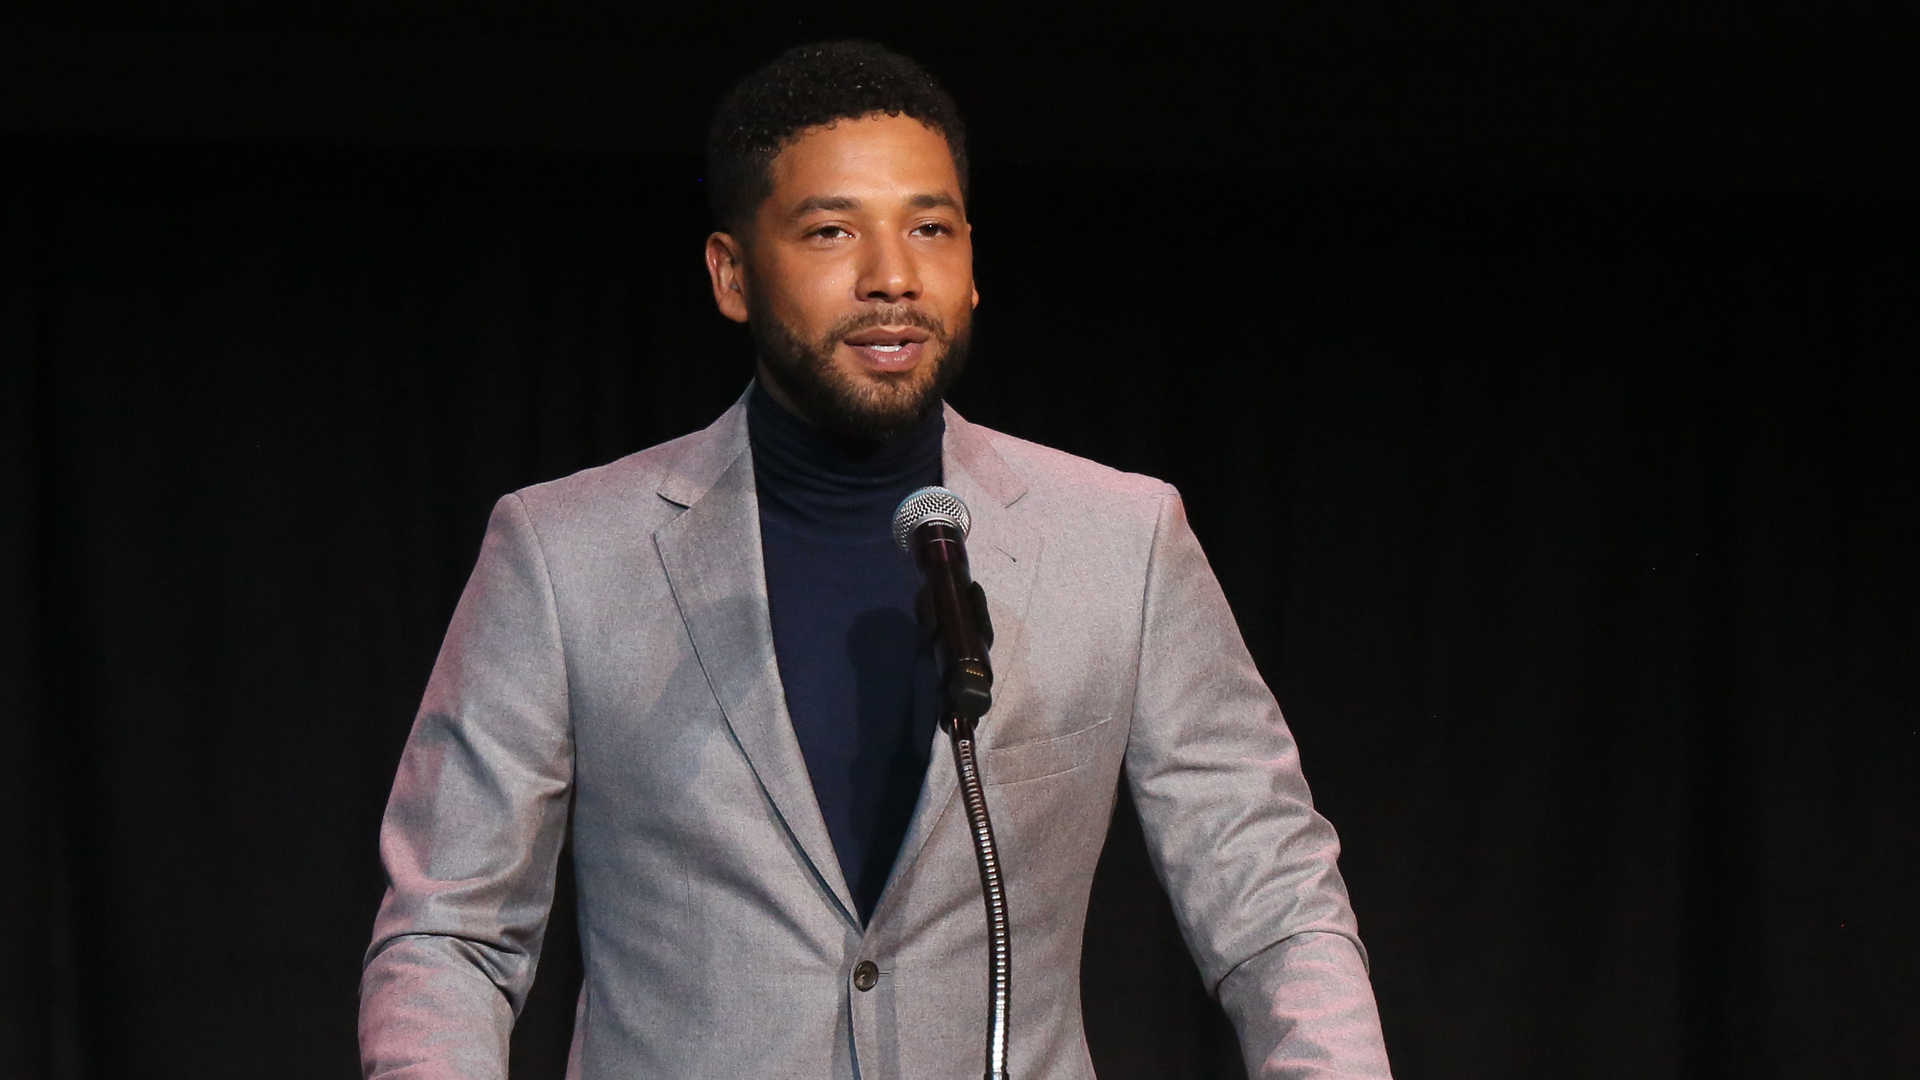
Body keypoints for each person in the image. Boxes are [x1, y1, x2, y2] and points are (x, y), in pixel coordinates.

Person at [359, 40, 1393, 1080]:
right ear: (731, 273)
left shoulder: (1123, 538)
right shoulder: (564, 551)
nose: (893, 276)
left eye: (930, 229)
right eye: (831, 230)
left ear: (973, 263)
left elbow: (1271, 897)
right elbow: (450, 932)